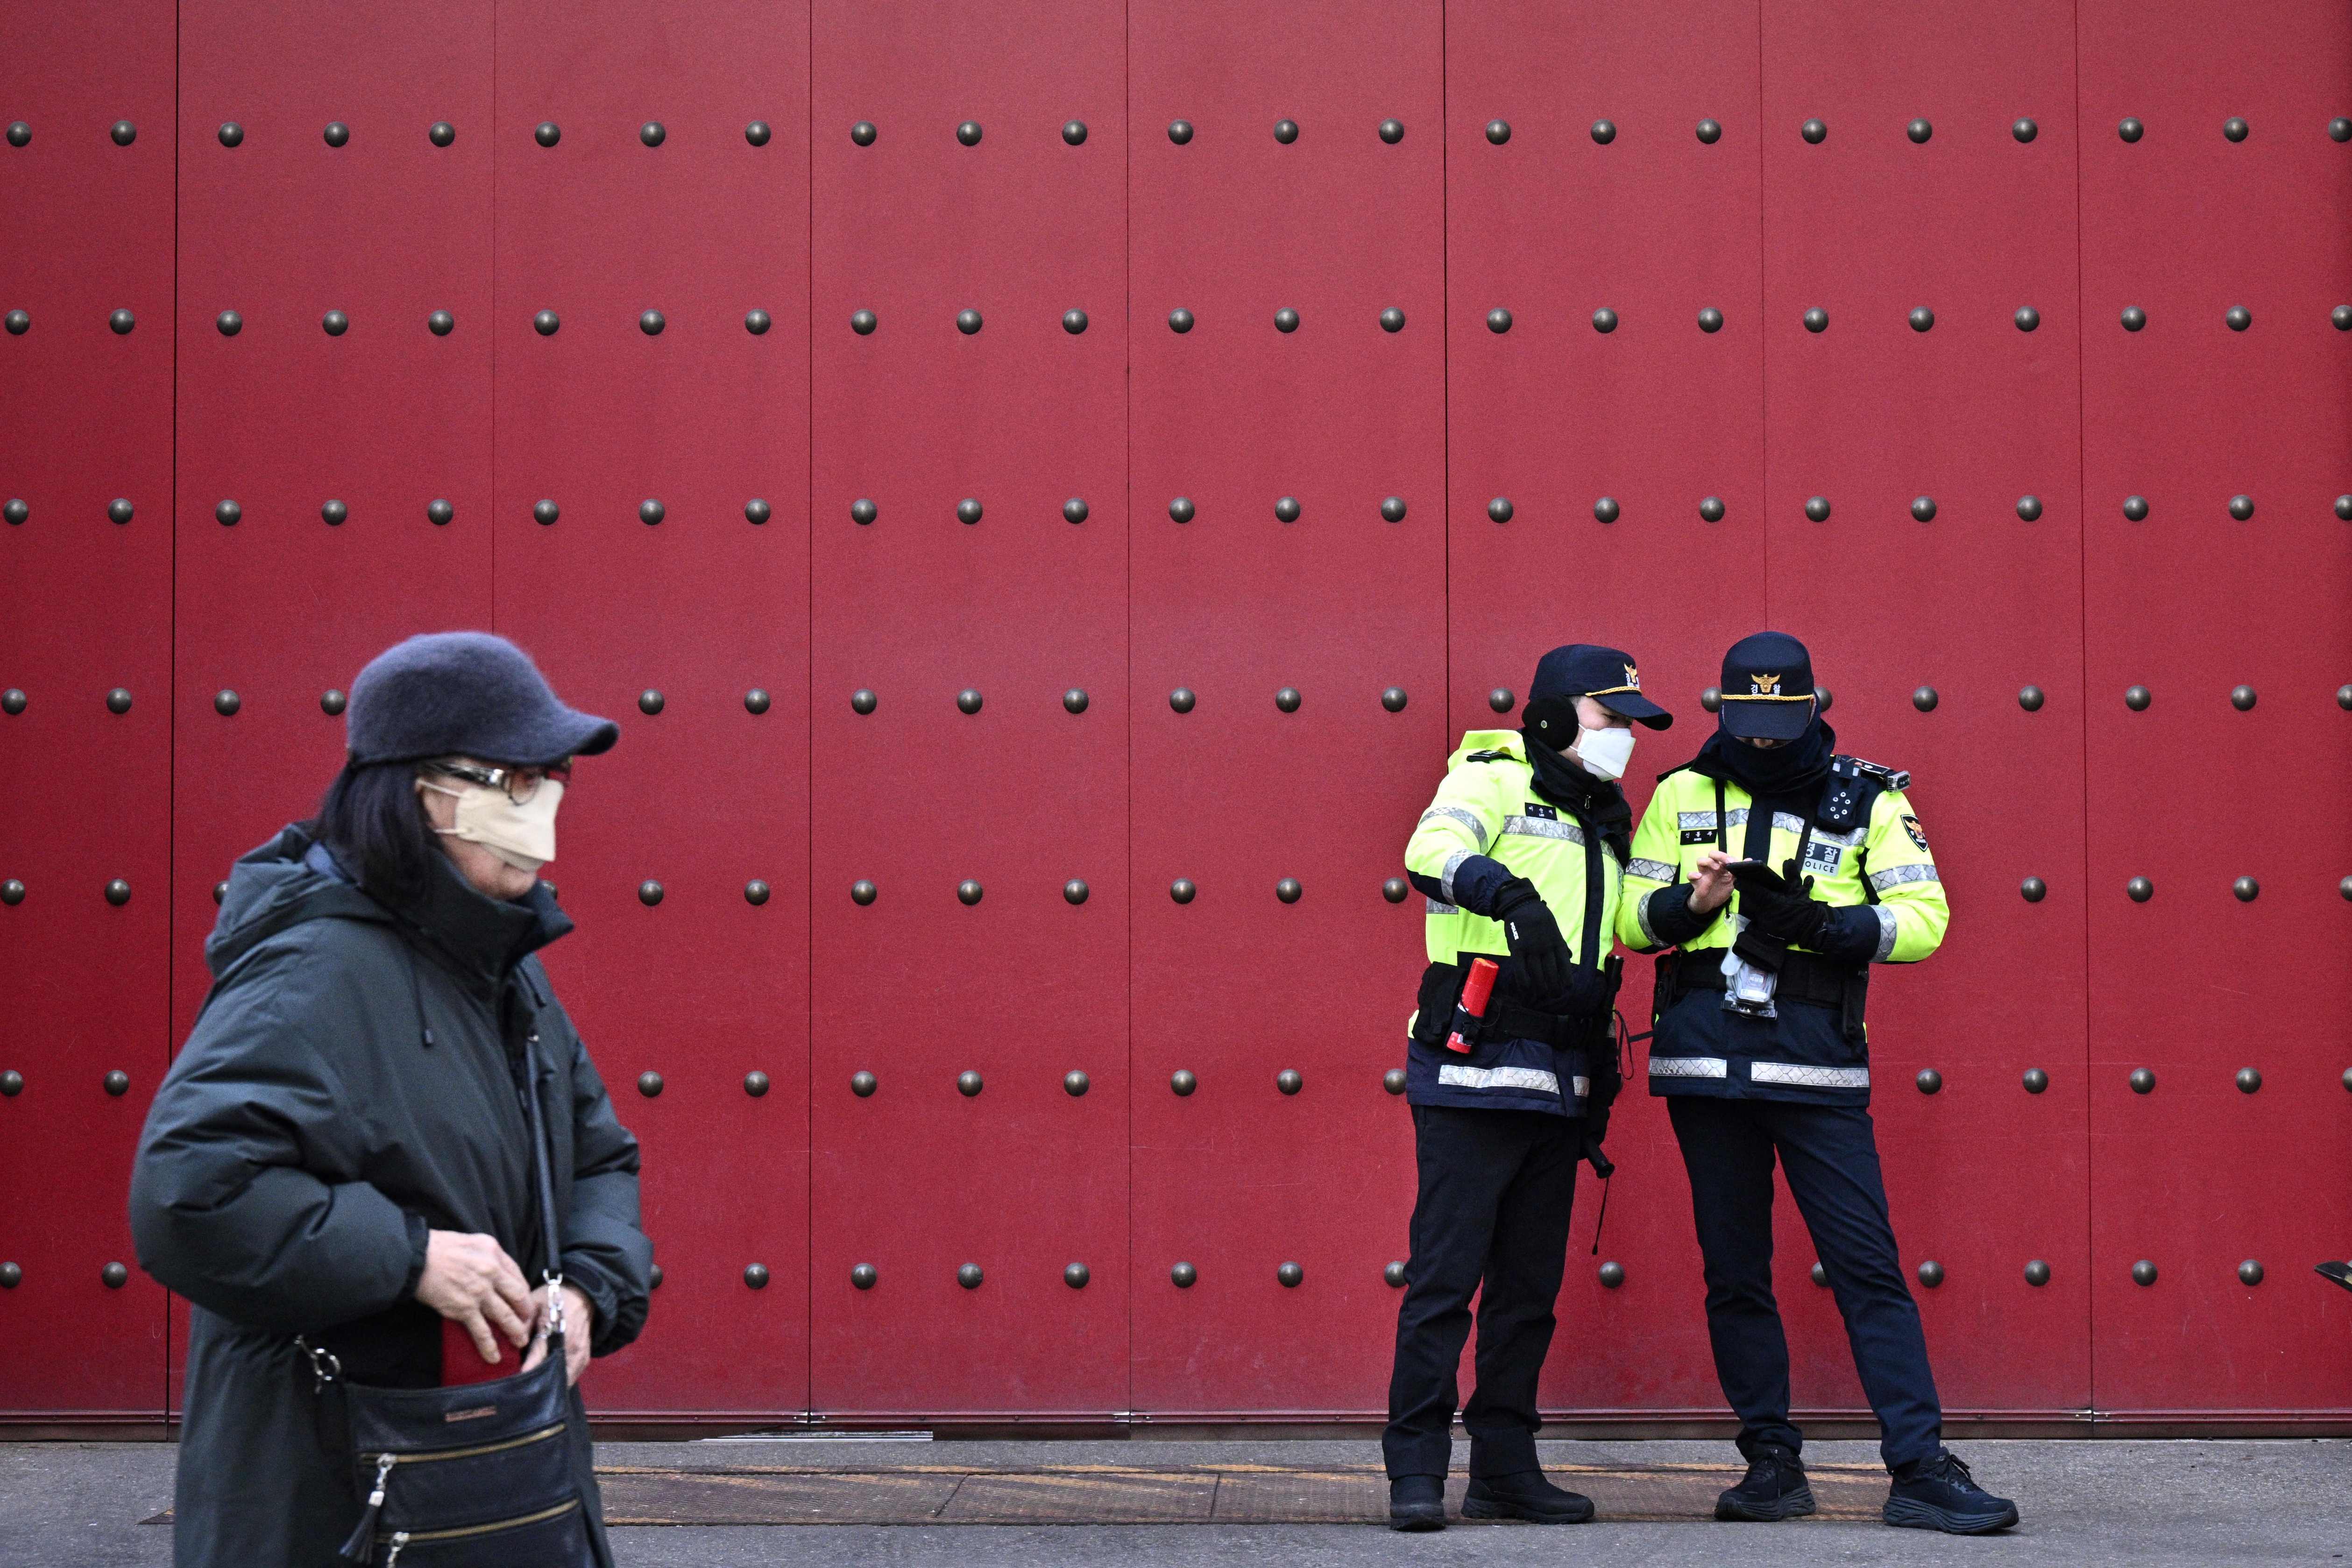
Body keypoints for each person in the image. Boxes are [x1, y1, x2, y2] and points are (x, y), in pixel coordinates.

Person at [128, 631, 654, 1568]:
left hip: (497, 1474)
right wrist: (410, 1256)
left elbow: (598, 1154)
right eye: (513, 782)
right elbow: (191, 1191)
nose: (541, 807)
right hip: (332, 1491)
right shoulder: (312, 970)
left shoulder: (501, 966)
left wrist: (585, 1288)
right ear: (421, 795)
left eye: (552, 779)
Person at [1615, 630, 2017, 1534]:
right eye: (1745, 722)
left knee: (1868, 1266)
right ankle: (1770, 1462)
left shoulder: (1869, 797)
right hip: (1705, 1069)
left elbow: (1925, 917)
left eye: (1777, 722)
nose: (1760, 740)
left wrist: (1824, 925)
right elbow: (1633, 924)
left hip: (1815, 1067)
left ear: (1810, 708)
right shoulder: (1681, 791)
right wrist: (1693, 904)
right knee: (1735, 1274)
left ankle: (1919, 1467)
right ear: (1724, 709)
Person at [1383, 644, 1674, 1530]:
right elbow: (1430, 849)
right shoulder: (1491, 777)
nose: (1624, 737)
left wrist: (1691, 906)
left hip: (1561, 1082)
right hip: (1473, 1075)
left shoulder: (1607, 814)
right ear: (1551, 715)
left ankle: (1505, 1467)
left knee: (1527, 1294)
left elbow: (1623, 925)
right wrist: (1508, 895)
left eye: (1631, 723)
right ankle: (1416, 1469)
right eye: (1609, 718)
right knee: (1445, 1282)